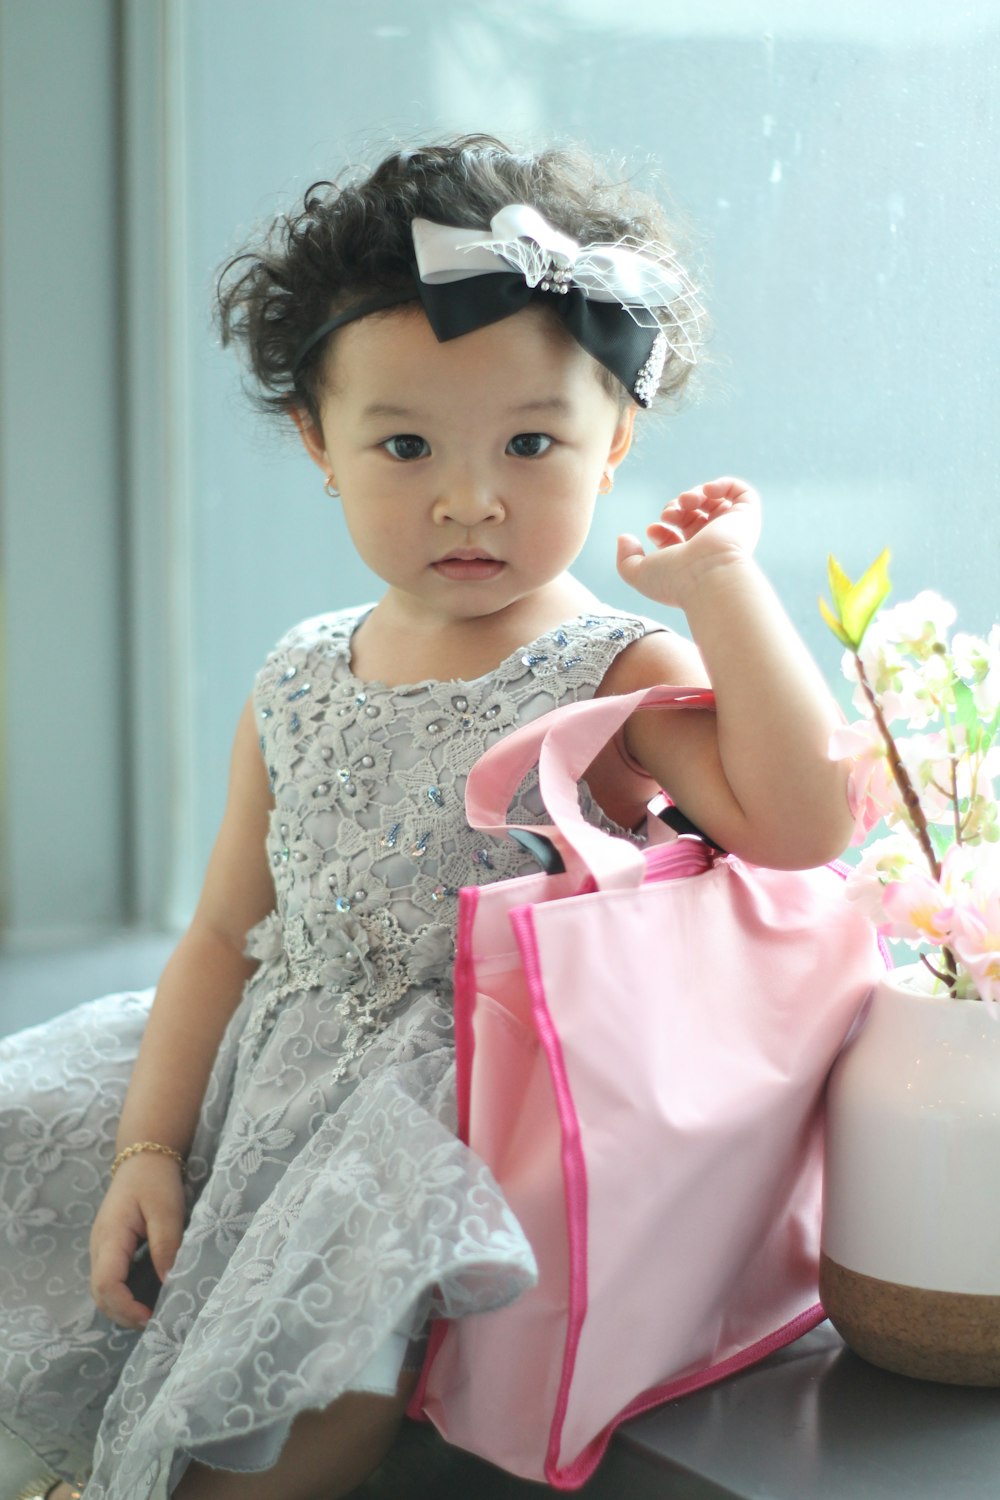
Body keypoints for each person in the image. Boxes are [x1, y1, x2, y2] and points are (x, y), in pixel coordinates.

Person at [2, 134, 853, 1500]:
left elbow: (804, 824)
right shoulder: (299, 671)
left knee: (308, 1360)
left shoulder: (616, 670)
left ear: (615, 440)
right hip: (270, 1079)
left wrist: (726, 592)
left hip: (458, 1127)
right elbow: (226, 931)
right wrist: (149, 1150)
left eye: (533, 443)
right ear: (317, 445)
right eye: (405, 445)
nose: (471, 497)